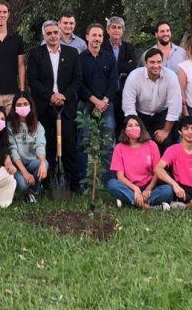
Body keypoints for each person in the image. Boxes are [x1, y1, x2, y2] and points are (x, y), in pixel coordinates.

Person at [27, 20, 82, 191]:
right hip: (44, 106)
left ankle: (74, 184)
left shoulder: (72, 53)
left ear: (60, 33)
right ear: (44, 36)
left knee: (69, 144)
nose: (53, 36)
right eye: (49, 33)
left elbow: (77, 79)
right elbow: (33, 81)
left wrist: (63, 95)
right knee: (46, 144)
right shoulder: (36, 54)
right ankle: (45, 182)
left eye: (55, 32)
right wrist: (51, 96)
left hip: (65, 107)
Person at [77, 23, 118, 183]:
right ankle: (83, 180)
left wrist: (104, 102)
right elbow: (79, 84)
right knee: (83, 143)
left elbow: (113, 83)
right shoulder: (80, 59)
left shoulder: (109, 57)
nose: (97, 39)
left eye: (100, 36)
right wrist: (95, 101)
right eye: (94, 35)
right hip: (86, 105)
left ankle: (108, 180)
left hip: (106, 106)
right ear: (87, 37)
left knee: (107, 144)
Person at [121, 48, 181, 152]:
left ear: (163, 62)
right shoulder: (134, 76)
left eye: (159, 62)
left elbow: (175, 106)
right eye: (152, 62)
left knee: (166, 142)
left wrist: (166, 131)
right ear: (145, 63)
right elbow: (128, 105)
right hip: (140, 116)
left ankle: (164, 168)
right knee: (139, 144)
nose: (156, 66)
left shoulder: (171, 76)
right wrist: (137, 128)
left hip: (162, 115)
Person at [107, 116, 173, 209]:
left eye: (137, 125)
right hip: (129, 186)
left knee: (167, 190)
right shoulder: (119, 147)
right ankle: (148, 206)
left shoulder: (151, 145)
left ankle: (132, 202)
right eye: (130, 125)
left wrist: (148, 189)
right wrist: (136, 189)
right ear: (125, 130)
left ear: (141, 128)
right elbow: (120, 177)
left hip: (149, 186)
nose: (133, 128)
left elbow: (157, 172)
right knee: (112, 184)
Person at [8, 92, 47, 202]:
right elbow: (12, 150)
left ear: (31, 106)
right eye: (19, 105)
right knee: (23, 184)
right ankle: (22, 190)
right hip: (16, 166)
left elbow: (40, 145)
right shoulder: (9, 126)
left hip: (31, 162)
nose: (22, 107)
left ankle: (34, 191)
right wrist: (24, 172)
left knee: (44, 164)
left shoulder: (38, 125)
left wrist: (43, 162)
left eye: (25, 104)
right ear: (14, 107)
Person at [102, 16, 137, 133]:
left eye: (119, 28)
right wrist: (122, 67)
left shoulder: (129, 48)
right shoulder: (101, 47)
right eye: (113, 27)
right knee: (108, 127)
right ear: (107, 30)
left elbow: (132, 68)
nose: (116, 30)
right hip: (105, 93)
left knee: (122, 126)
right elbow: (101, 68)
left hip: (124, 93)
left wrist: (111, 66)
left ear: (123, 31)